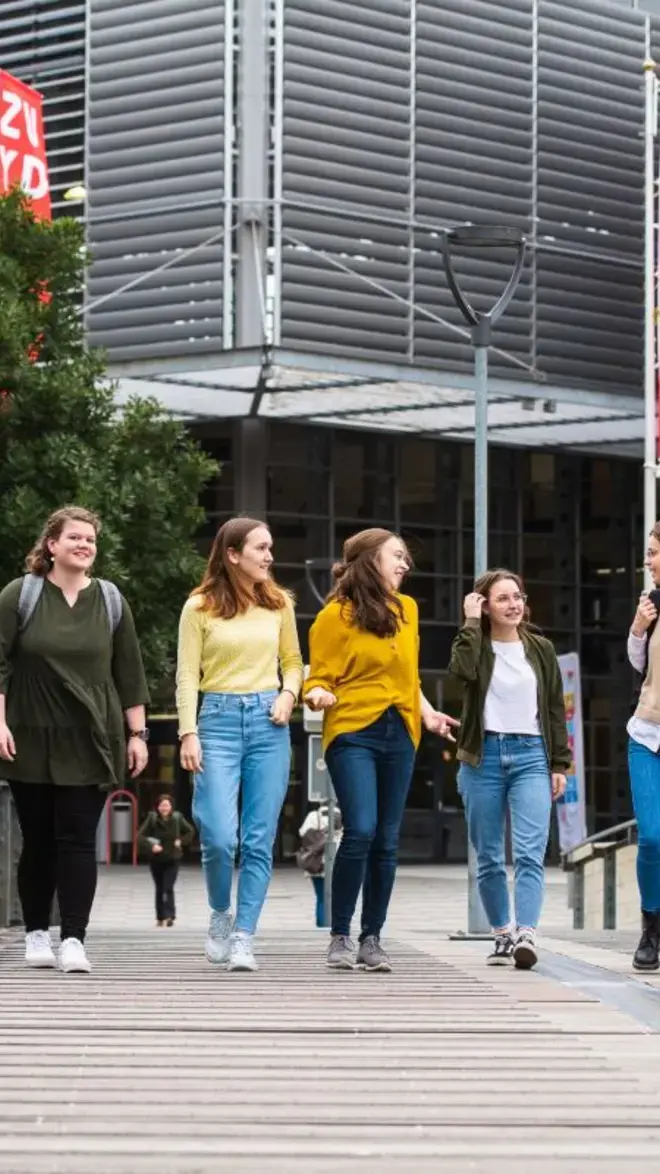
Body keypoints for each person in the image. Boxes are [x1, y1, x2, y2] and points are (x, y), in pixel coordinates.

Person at [0, 506, 150, 974]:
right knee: (39, 838)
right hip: (31, 733)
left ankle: (74, 939)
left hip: (92, 736)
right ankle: (37, 933)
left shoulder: (109, 600)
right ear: (52, 545)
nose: (85, 545)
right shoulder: (19, 596)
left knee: (79, 838)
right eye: (75, 538)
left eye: (91, 539)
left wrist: (138, 734)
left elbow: (129, 671)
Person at [304, 528, 459, 972]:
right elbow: (319, 679)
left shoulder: (407, 610)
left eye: (406, 557)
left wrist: (428, 714)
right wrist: (317, 696)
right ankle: (340, 937)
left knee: (387, 840)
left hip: (400, 732)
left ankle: (372, 938)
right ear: (369, 559)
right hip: (353, 729)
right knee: (362, 829)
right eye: (397, 555)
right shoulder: (334, 616)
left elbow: (406, 678)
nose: (405, 564)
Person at [176, 516, 303, 973]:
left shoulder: (279, 604)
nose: (270, 556)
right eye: (260, 548)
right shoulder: (199, 607)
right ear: (232, 554)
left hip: (270, 724)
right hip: (217, 722)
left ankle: (245, 934)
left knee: (258, 839)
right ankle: (219, 913)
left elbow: (293, 661)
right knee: (217, 834)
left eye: (270, 548)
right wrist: (188, 732)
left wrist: (289, 694)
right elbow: (188, 674)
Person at [449, 569, 569, 970]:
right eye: (502, 598)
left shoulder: (540, 649)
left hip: (532, 754)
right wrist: (469, 622)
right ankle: (502, 933)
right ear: (484, 605)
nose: (513, 604)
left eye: (517, 596)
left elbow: (554, 709)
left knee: (530, 852)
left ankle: (527, 933)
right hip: (483, 757)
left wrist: (559, 764)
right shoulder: (475, 645)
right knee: (488, 855)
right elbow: (459, 675)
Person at [626, 521, 660, 971]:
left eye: (654, 553)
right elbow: (640, 666)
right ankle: (652, 927)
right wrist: (638, 627)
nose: (649, 561)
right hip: (647, 734)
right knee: (652, 837)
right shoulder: (652, 603)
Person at [138, 793, 195, 927]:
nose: (164, 808)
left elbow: (190, 831)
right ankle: (160, 917)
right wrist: (152, 846)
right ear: (157, 807)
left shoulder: (177, 818)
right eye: (161, 805)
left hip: (172, 858)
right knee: (159, 888)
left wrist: (181, 841)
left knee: (168, 887)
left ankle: (170, 916)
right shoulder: (152, 818)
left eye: (167, 805)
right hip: (156, 859)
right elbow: (140, 836)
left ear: (171, 807)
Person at [297, 803, 342, 927]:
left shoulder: (313, 815)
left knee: (321, 897)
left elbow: (302, 833)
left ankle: (322, 925)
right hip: (337, 860)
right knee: (336, 896)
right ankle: (336, 925)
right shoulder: (342, 815)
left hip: (317, 862)